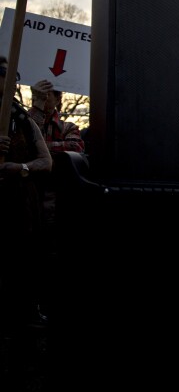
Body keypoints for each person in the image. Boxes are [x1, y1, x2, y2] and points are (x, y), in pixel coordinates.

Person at [0, 56, 53, 345]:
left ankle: (24, 314)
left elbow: (45, 161)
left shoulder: (21, 119)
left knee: (22, 262)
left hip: (19, 205)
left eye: (10, 75)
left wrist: (20, 168)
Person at [27, 80, 85, 321]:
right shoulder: (26, 120)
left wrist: (39, 152)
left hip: (54, 200)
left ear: (59, 99)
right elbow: (23, 144)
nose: (46, 98)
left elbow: (74, 149)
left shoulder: (69, 126)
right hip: (28, 196)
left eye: (50, 94)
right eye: (42, 94)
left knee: (51, 253)